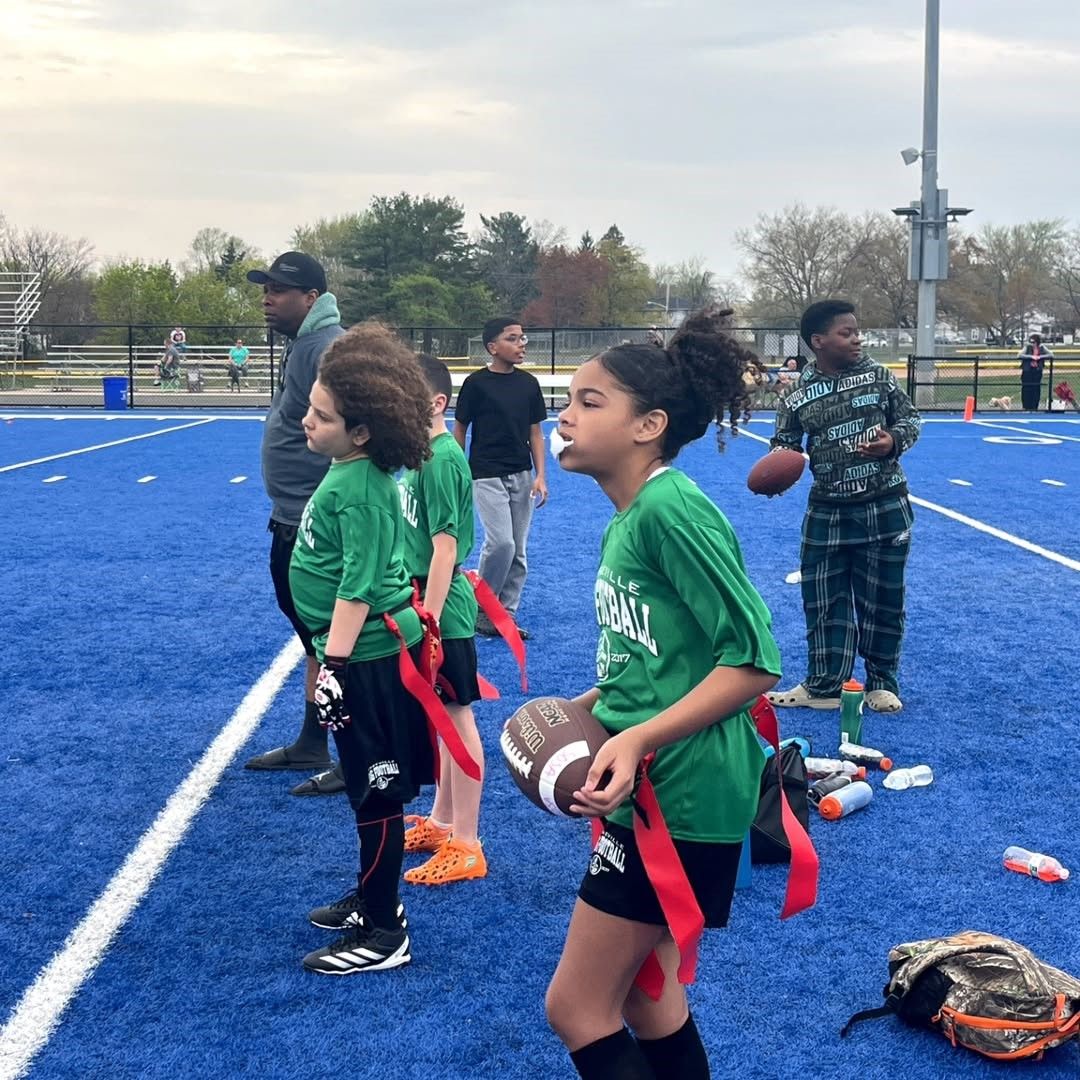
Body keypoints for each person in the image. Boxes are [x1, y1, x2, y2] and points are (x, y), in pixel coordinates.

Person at [546, 308, 783, 1080]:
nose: (566, 415)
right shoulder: (633, 517)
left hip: (680, 794)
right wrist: (591, 707)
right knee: (649, 997)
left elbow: (752, 662)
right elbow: (657, 659)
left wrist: (639, 737)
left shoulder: (670, 510)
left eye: (590, 401)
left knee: (577, 1008)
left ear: (649, 424)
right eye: (569, 398)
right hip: (657, 786)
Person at [290, 322, 438, 974]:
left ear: (361, 432)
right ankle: (374, 897)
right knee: (362, 789)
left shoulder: (361, 489)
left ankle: (385, 932)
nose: (306, 421)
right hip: (362, 652)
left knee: (376, 794)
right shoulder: (351, 471)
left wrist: (333, 669)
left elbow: (355, 589)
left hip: (370, 658)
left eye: (321, 416)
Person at [767, 300, 921, 714]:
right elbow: (785, 443)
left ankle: (882, 683)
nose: (857, 338)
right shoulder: (796, 394)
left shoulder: (878, 376)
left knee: (882, 601)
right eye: (846, 333)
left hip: (884, 505)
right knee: (822, 599)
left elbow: (910, 421)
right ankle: (824, 684)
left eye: (857, 331)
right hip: (827, 510)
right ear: (819, 342)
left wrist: (892, 440)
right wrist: (780, 468)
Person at [243, 251, 347, 797]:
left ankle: (358, 753)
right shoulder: (307, 344)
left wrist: (326, 514)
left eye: (280, 290)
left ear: (310, 298)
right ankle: (314, 739)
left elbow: (353, 432)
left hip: (313, 524)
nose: (268, 297)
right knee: (316, 641)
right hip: (292, 517)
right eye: (266, 288)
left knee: (339, 643)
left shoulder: (324, 347)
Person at [398, 355, 487, 885]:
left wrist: (428, 621)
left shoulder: (443, 459)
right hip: (422, 600)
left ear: (434, 403)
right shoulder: (419, 455)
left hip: (442, 609)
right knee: (443, 716)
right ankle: (443, 820)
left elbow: (445, 548)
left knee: (457, 719)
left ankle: (468, 842)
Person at [453, 318, 547, 640]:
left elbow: (536, 432)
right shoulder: (476, 384)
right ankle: (482, 606)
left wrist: (540, 476)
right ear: (493, 347)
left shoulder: (529, 385)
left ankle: (504, 616)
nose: (521, 344)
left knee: (518, 550)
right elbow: (461, 427)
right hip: (485, 473)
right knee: (501, 543)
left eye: (523, 338)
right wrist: (458, 468)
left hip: (521, 474)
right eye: (513, 338)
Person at [1018, 334, 1052, 412]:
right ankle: (1026, 407)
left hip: (1037, 371)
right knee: (1026, 389)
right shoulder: (1027, 347)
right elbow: (1019, 355)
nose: (1032, 343)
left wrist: (1040, 357)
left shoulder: (1042, 347)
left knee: (1036, 389)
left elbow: (1051, 355)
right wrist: (1031, 357)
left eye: (1034, 342)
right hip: (1027, 371)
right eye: (1031, 341)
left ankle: (1034, 407)